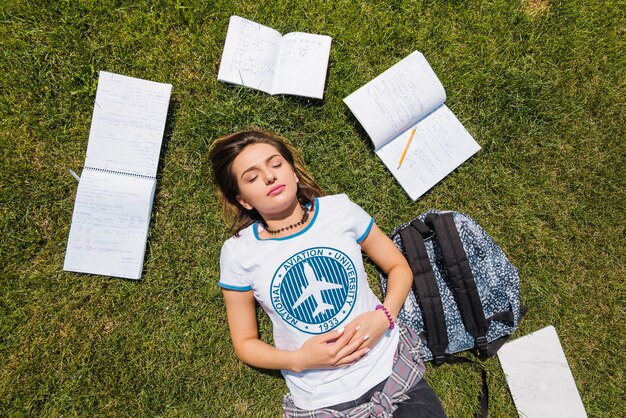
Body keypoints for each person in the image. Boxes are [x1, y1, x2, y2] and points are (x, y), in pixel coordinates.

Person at [209, 129, 446, 417]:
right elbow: (245, 343)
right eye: (252, 177)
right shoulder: (238, 252)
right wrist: (299, 359)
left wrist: (384, 317)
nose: (270, 177)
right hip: (323, 402)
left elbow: (398, 267)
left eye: (276, 164)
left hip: (392, 372)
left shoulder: (339, 210)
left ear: (294, 173)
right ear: (244, 200)